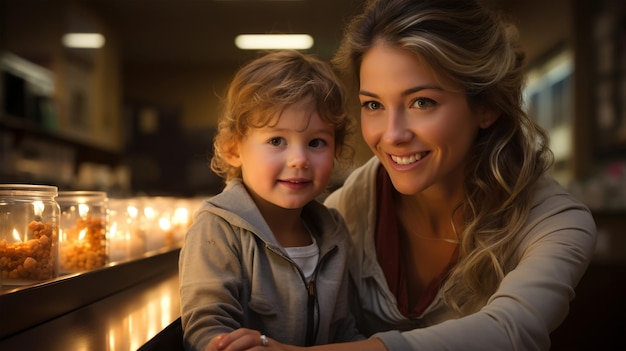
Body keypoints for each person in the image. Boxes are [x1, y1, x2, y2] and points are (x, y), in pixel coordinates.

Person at [209, 0, 597, 350]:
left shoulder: (556, 222)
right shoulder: (345, 210)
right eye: (374, 104)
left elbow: (512, 332)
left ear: (487, 105)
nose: (392, 135)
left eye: (421, 102)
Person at [178, 50, 364, 351]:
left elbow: (343, 330)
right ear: (233, 148)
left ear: (337, 151)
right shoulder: (217, 229)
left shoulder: (334, 231)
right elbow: (206, 328)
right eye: (277, 140)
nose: (299, 160)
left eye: (317, 142)